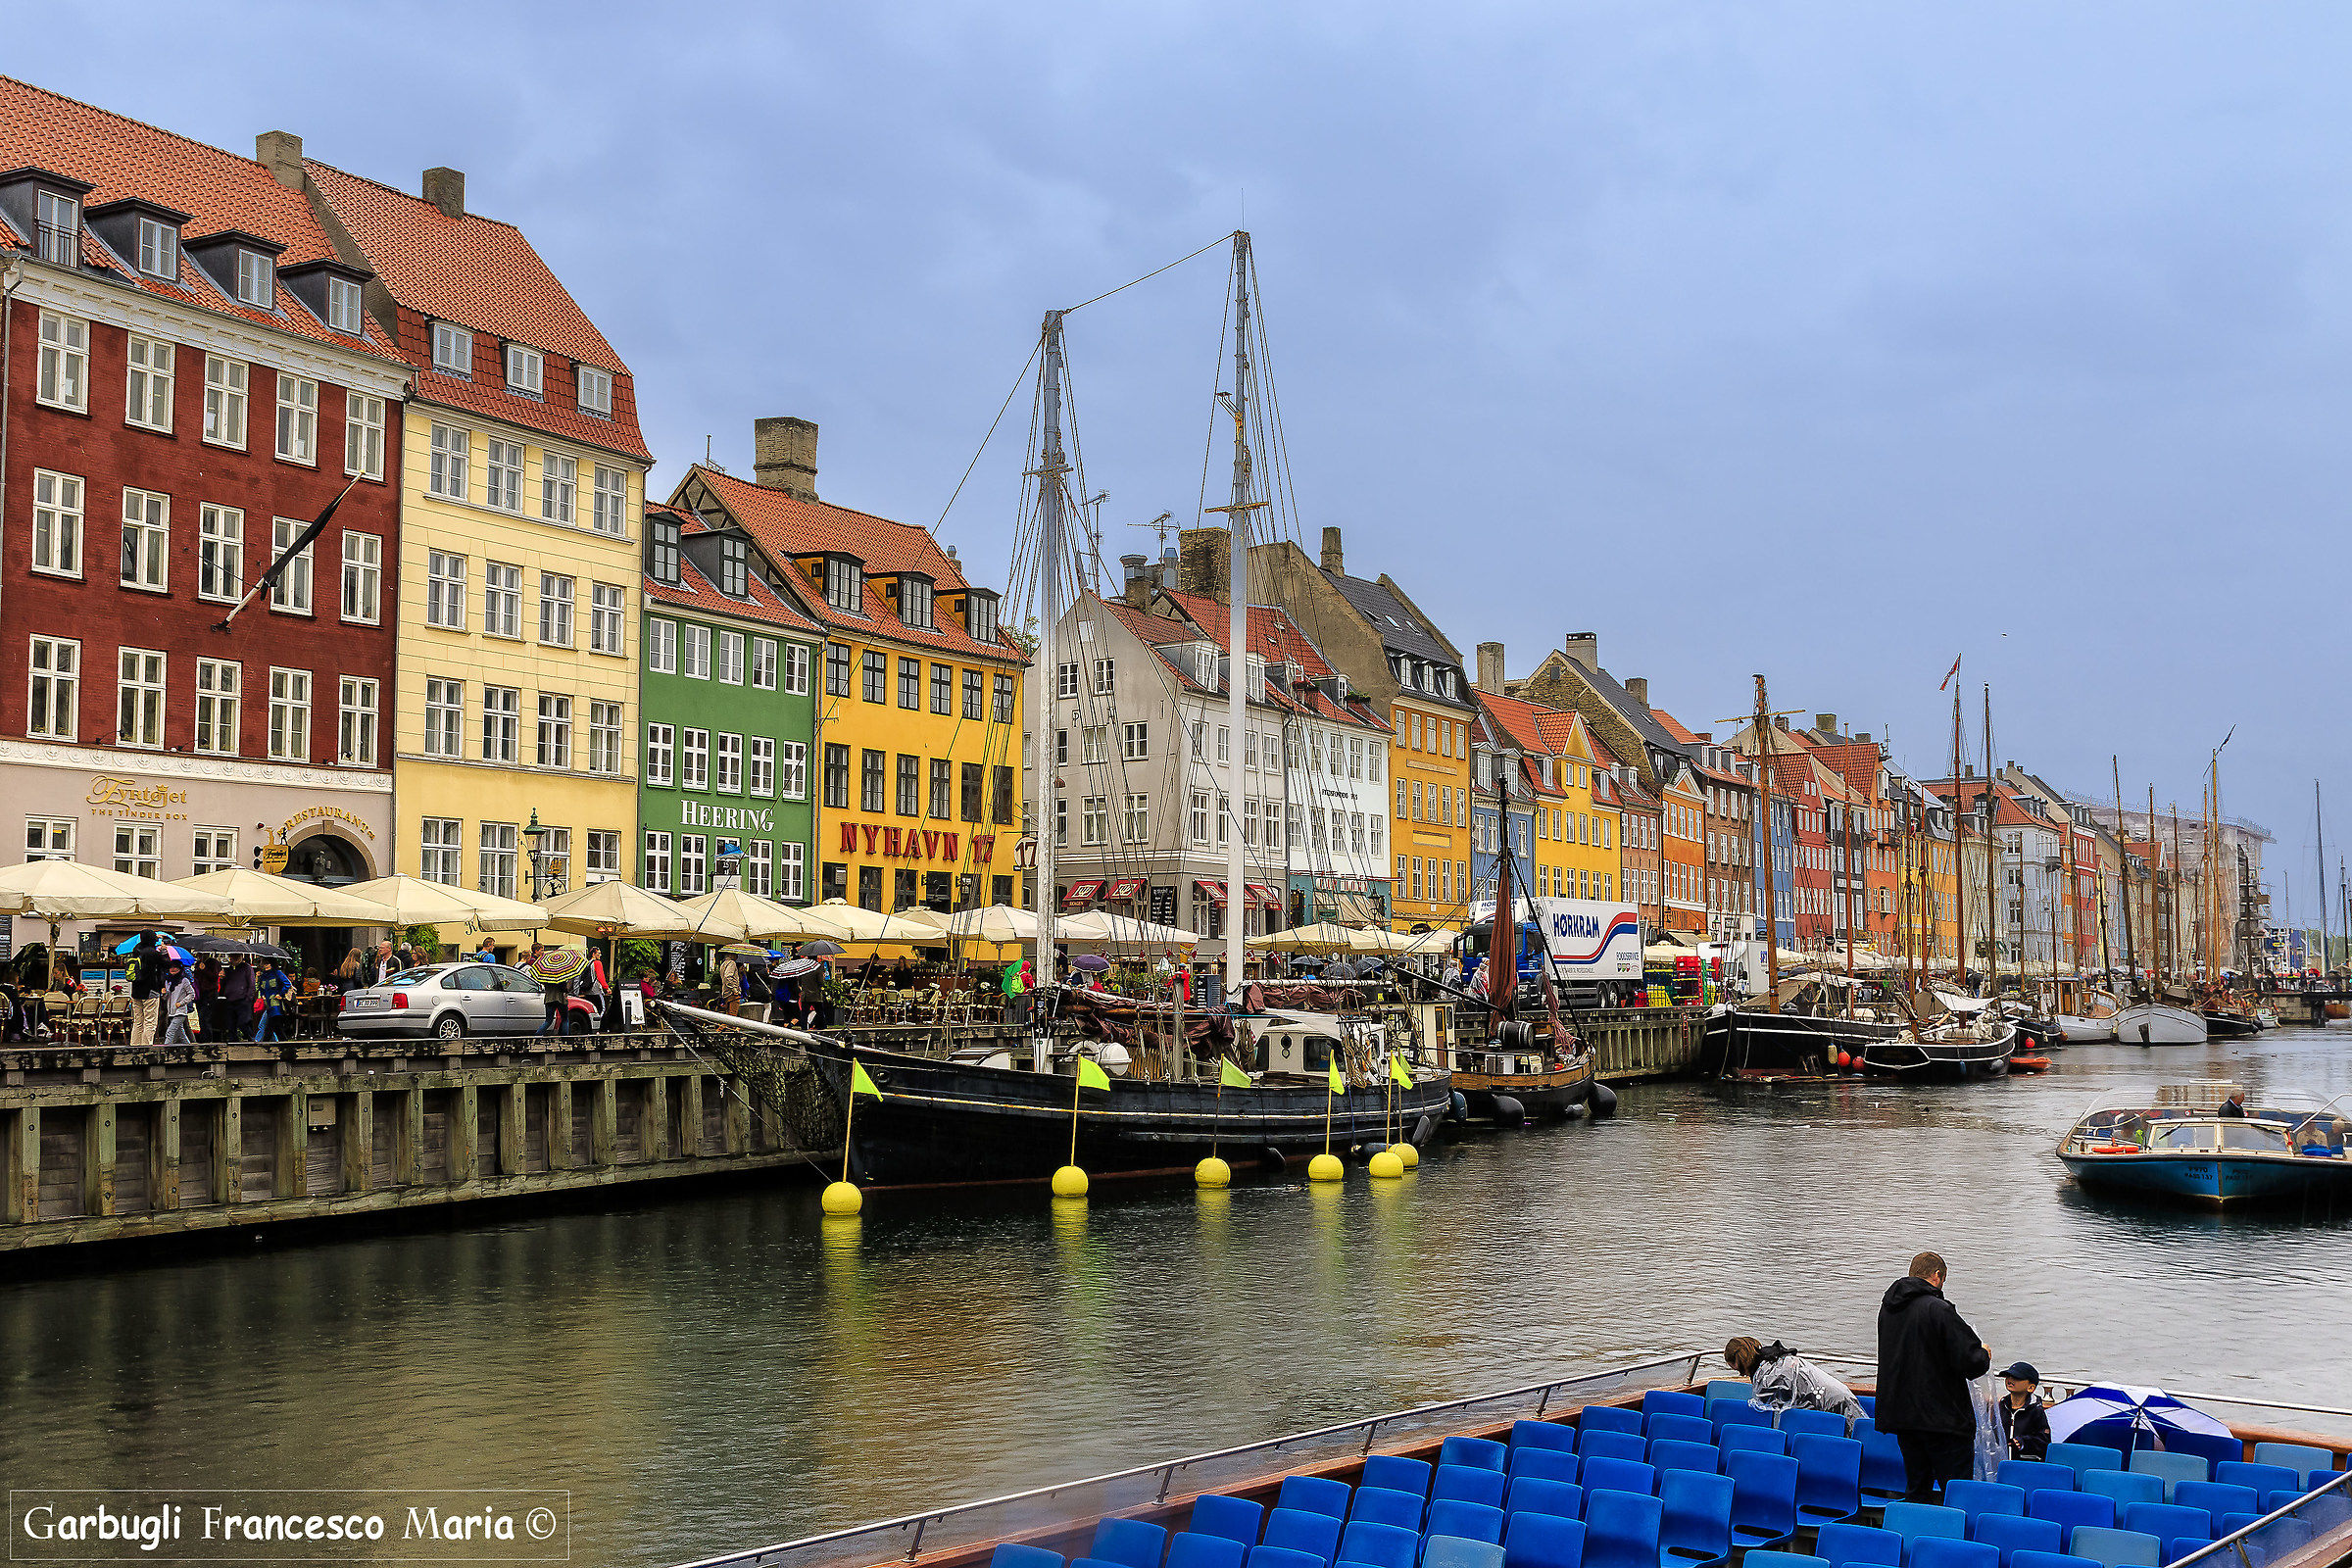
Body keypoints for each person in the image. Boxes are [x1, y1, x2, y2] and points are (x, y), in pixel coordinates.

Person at [1877, 1250, 1992, 1501]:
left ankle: (1916, 1537)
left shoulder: (1889, 1309)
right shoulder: (1938, 1309)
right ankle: (1952, 1539)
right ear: (1937, 1275)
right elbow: (1969, 1362)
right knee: (1956, 1492)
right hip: (1942, 1420)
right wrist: (1983, 1353)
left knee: (1917, 1489)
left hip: (1904, 1416)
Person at [1724, 1337, 1865, 1428]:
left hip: (1832, 1401)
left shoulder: (1769, 1375)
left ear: (1741, 1360)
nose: (1740, 1373)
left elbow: (1775, 1408)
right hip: (1834, 1393)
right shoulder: (1771, 1359)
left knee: (1855, 1433)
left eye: (1736, 1368)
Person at [1996, 1362, 2050, 1460]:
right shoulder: (2002, 1405)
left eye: (2017, 1378)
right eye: (2008, 1376)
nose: (2010, 1380)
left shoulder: (2036, 1410)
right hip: (2001, 1462)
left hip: (2024, 1463)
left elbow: (2043, 1440)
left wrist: (2022, 1442)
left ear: (2031, 1388)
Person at [127, 933, 167, 1049]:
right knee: (150, 1022)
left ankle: (134, 1046)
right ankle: (146, 1049)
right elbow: (167, 964)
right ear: (153, 940)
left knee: (138, 1021)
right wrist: (163, 951)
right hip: (150, 991)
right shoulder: (153, 953)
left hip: (136, 992)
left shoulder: (136, 951)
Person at [162, 959, 202, 1045]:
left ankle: (165, 1051)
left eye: (175, 967)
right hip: (171, 1012)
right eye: (171, 967)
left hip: (180, 1011)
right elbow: (166, 998)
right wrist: (164, 993)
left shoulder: (184, 981)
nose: (173, 969)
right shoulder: (168, 981)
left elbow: (192, 994)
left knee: (170, 1032)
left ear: (180, 969)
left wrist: (181, 1003)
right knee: (181, 1034)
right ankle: (190, 1049)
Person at [254, 956, 292, 1043]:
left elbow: (287, 983)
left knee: (272, 1026)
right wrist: (263, 995)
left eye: (268, 963)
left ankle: (266, 1045)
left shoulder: (277, 973)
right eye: (264, 964)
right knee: (275, 1027)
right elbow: (261, 987)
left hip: (276, 1004)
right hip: (268, 1004)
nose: (266, 966)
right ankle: (284, 1044)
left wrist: (280, 994)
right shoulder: (263, 976)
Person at [219, 956, 254, 1041]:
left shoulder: (247, 968)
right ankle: (233, 1042)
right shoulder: (228, 969)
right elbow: (224, 985)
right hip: (230, 999)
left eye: (237, 957)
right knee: (231, 1025)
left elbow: (251, 984)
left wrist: (248, 998)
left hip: (242, 1000)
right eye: (233, 957)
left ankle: (251, 1039)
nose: (234, 959)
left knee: (243, 1022)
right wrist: (222, 978)